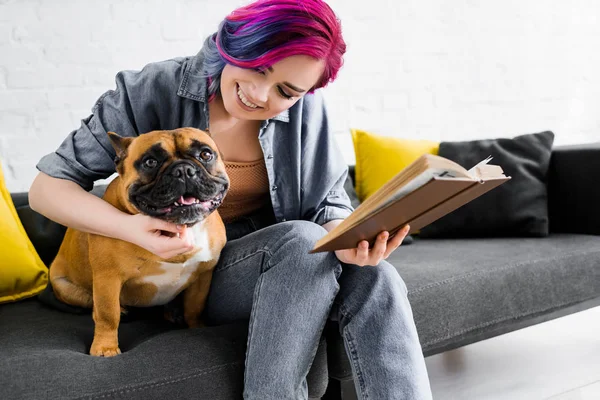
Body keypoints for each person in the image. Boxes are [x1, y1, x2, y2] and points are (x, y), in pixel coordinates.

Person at [29, 0, 433, 399]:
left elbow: (327, 202)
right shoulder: (148, 89)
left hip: (271, 264)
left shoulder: (308, 112)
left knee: (375, 276)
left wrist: (348, 242)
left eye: (287, 91)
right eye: (258, 68)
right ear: (235, 43)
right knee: (299, 240)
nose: (260, 95)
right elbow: (47, 189)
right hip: (201, 265)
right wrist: (130, 228)